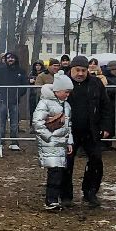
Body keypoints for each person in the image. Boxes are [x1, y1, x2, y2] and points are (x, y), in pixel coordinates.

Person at [64, 56, 109, 207]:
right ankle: (65, 194)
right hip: (69, 131)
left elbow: (106, 106)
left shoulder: (96, 84)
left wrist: (106, 126)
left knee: (96, 161)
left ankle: (90, 191)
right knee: (66, 162)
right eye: (78, 70)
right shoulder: (63, 83)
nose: (81, 74)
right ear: (71, 69)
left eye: (84, 70)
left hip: (91, 129)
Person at [33, 73, 73, 211]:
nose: (68, 94)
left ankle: (54, 199)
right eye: (66, 92)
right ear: (57, 91)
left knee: (59, 172)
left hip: (60, 143)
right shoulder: (45, 103)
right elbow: (37, 123)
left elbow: (68, 125)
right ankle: (51, 200)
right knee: (54, 172)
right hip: (50, 144)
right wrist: (49, 137)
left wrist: (69, 142)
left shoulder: (66, 105)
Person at [0, 52, 29, 150]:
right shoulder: (0, 70)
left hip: (14, 100)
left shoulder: (21, 71)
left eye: (12, 57)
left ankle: (14, 142)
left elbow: (24, 85)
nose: (10, 59)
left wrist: (18, 94)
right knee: (1, 122)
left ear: (15, 59)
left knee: (14, 122)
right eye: (8, 58)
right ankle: (0, 142)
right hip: (2, 99)